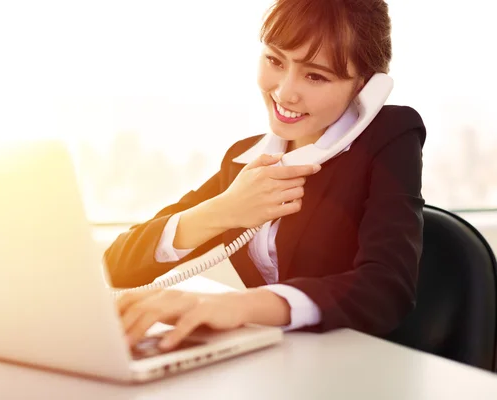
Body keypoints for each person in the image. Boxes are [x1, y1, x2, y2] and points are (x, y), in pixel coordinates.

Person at [104, 0, 425, 351]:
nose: (285, 91)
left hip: (359, 365)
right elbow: (117, 265)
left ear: (364, 88)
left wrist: (238, 306)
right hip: (274, 363)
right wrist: (225, 210)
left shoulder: (390, 138)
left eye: (315, 75)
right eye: (275, 60)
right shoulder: (247, 160)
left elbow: (386, 288)